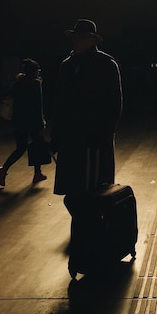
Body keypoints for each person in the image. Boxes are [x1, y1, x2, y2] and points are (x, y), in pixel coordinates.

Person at [50, 19, 123, 208]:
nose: (75, 41)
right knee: (75, 189)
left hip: (93, 137)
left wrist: (104, 133)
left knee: (93, 188)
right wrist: (56, 136)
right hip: (71, 137)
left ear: (92, 41)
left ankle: (88, 226)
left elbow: (114, 104)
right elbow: (60, 103)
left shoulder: (105, 64)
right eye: (74, 38)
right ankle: (85, 226)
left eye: (80, 38)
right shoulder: (68, 65)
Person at [0, 58, 47, 186]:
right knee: (37, 146)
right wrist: (41, 123)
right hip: (32, 122)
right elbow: (37, 106)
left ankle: (4, 169)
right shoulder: (35, 84)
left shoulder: (18, 83)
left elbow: (7, 95)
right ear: (35, 72)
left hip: (18, 121)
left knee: (20, 148)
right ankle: (37, 174)